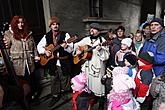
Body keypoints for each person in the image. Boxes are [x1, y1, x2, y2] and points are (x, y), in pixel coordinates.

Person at [3, 15, 39, 110]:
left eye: (22, 22)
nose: (21, 24)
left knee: (30, 81)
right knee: (21, 85)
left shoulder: (28, 33)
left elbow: (34, 46)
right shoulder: (8, 34)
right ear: (14, 24)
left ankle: (30, 99)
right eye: (18, 22)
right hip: (17, 65)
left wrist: (36, 55)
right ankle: (24, 102)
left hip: (29, 63)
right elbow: (6, 50)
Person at [37, 16, 74, 107]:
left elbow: (71, 49)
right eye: (53, 24)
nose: (55, 26)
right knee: (54, 78)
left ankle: (65, 93)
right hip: (52, 61)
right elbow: (39, 46)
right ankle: (55, 95)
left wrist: (67, 47)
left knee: (64, 77)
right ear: (50, 26)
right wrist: (45, 51)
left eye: (57, 24)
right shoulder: (47, 35)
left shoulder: (65, 35)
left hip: (63, 60)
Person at [73, 23, 109, 110]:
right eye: (91, 28)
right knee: (87, 85)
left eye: (95, 29)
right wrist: (78, 50)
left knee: (99, 87)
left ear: (99, 31)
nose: (92, 30)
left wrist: (100, 51)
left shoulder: (103, 41)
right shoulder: (86, 39)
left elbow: (106, 56)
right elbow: (76, 45)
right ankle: (89, 102)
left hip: (97, 68)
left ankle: (100, 104)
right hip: (86, 67)